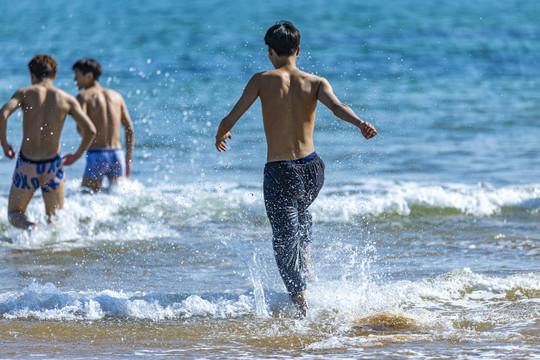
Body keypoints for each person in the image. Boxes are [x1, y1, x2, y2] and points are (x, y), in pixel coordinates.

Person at [215, 21, 377, 316]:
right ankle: (308, 259)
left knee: (283, 239)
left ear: (270, 52)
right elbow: (338, 107)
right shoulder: (316, 82)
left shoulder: (261, 80)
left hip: (280, 171)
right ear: (298, 51)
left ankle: (301, 303)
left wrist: (220, 133)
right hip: (313, 169)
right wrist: (360, 124)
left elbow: (231, 117)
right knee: (301, 213)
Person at [0, 54, 97, 229]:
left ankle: (30, 226)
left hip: (27, 165)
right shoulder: (66, 98)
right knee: (55, 221)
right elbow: (91, 130)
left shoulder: (24, 93)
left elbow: (2, 114)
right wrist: (77, 155)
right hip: (52, 166)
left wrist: (5, 145)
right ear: (55, 74)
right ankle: (53, 253)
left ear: (31, 74)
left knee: (15, 214)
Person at [72, 58, 134, 193]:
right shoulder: (116, 96)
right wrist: (128, 161)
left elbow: (81, 128)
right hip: (117, 154)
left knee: (86, 198)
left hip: (96, 154)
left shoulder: (83, 97)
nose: (74, 79)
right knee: (118, 200)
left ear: (89, 76)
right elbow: (129, 129)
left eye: (77, 75)